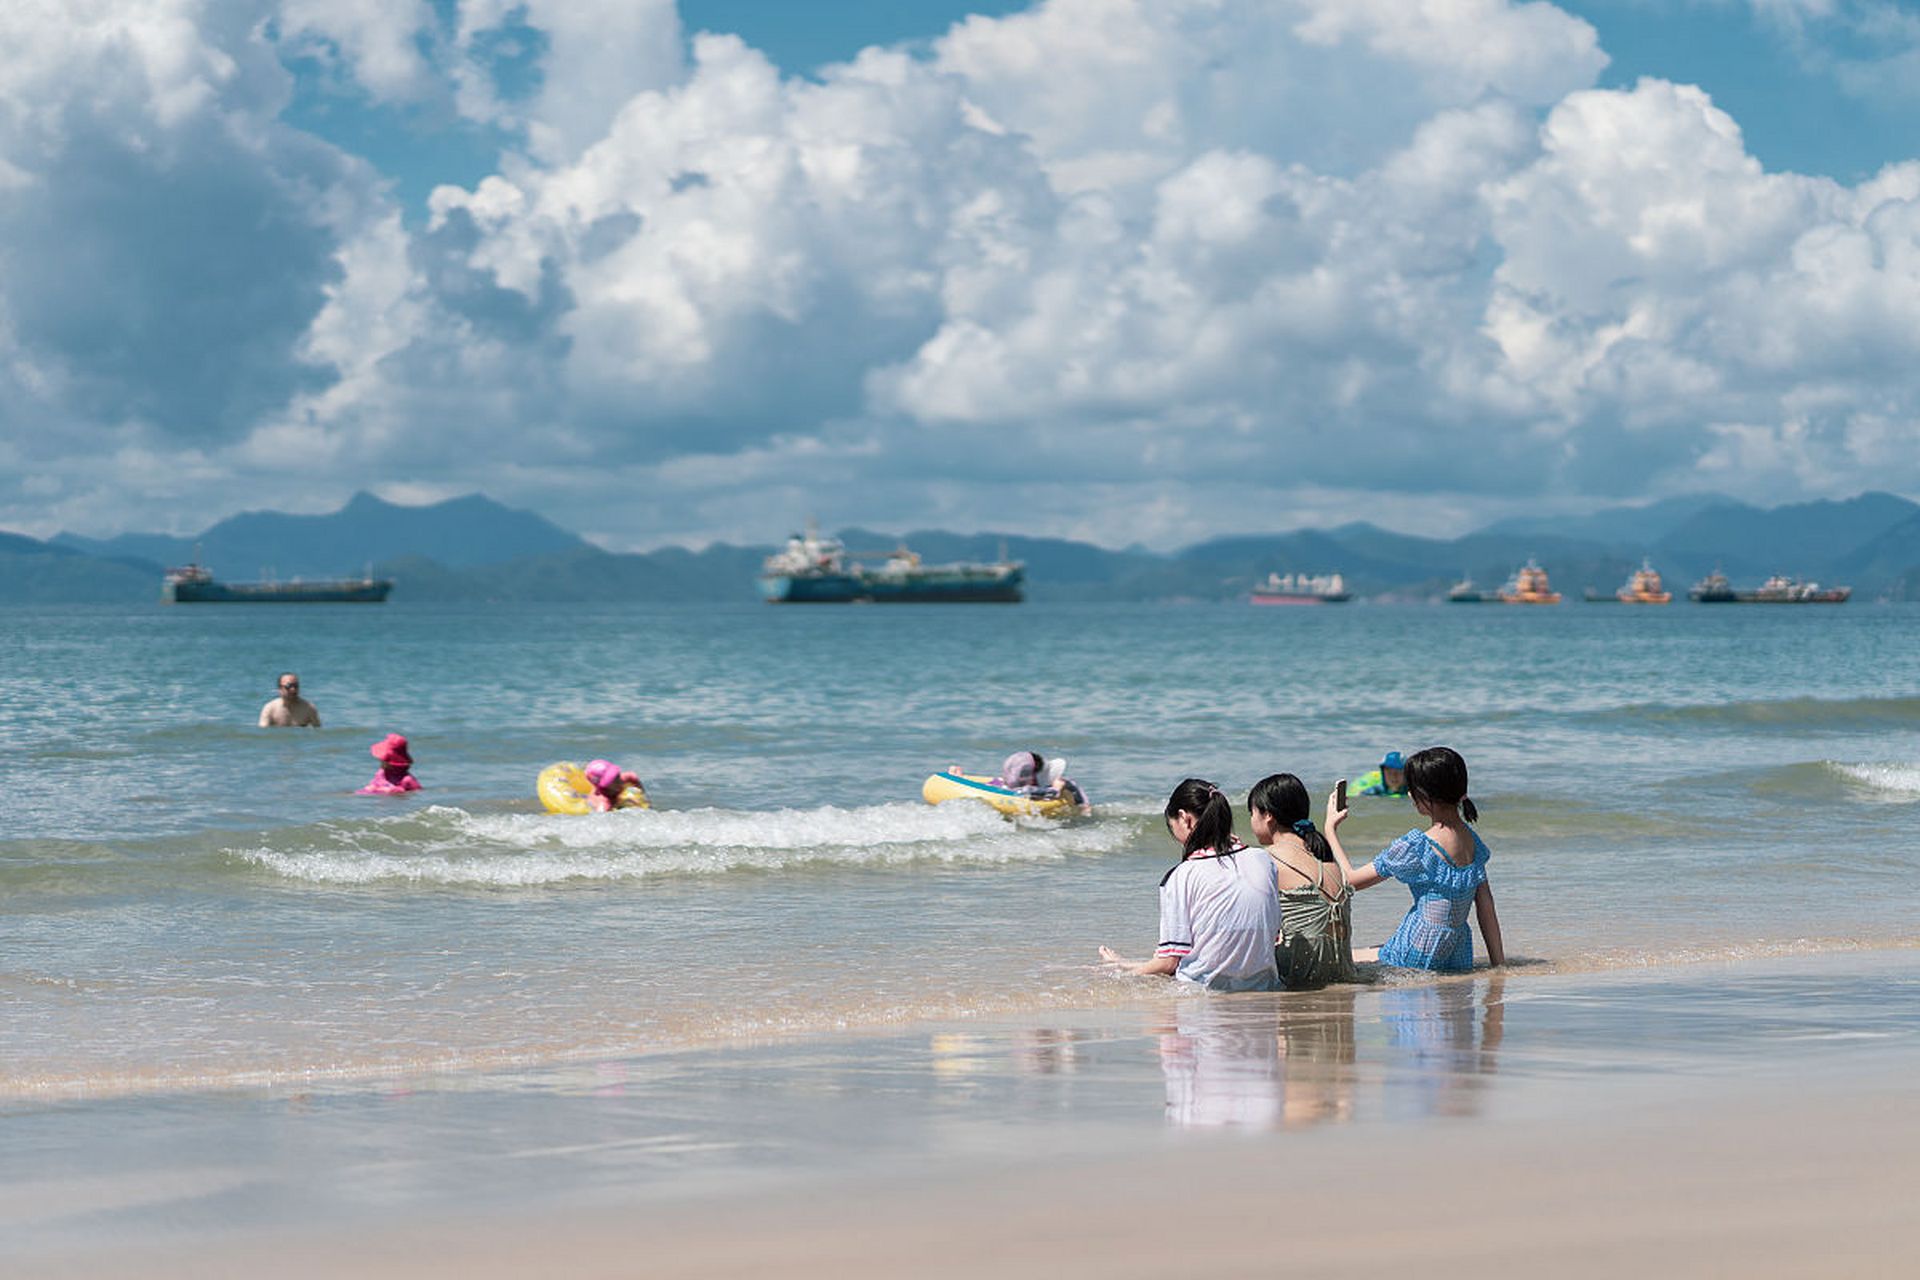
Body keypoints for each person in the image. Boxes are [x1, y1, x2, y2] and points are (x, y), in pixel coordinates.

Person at [1325, 746, 1505, 972]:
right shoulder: (1473, 841)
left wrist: (1330, 829)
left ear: (1424, 795)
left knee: (1349, 956)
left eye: (1412, 788)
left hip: (1417, 951)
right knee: (1376, 950)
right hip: (1456, 955)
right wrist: (1499, 967)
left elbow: (1350, 881)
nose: (1409, 794)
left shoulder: (1418, 846)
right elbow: (1486, 906)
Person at [1099, 778, 1281, 991]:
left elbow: (1169, 964)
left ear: (1185, 819)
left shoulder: (1181, 875)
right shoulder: (1263, 860)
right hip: (1265, 989)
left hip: (1204, 996)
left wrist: (1120, 976)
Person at [1247, 773, 1354, 989]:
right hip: (1343, 973)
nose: (1251, 820)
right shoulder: (1326, 858)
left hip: (1298, 980)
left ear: (1267, 815)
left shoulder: (1267, 859)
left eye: (1252, 813)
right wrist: (1331, 829)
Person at [989, 750, 1091, 812]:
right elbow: (1025, 791)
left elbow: (1070, 783)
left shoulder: (1000, 783)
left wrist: (1084, 804)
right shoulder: (1027, 789)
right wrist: (1056, 789)